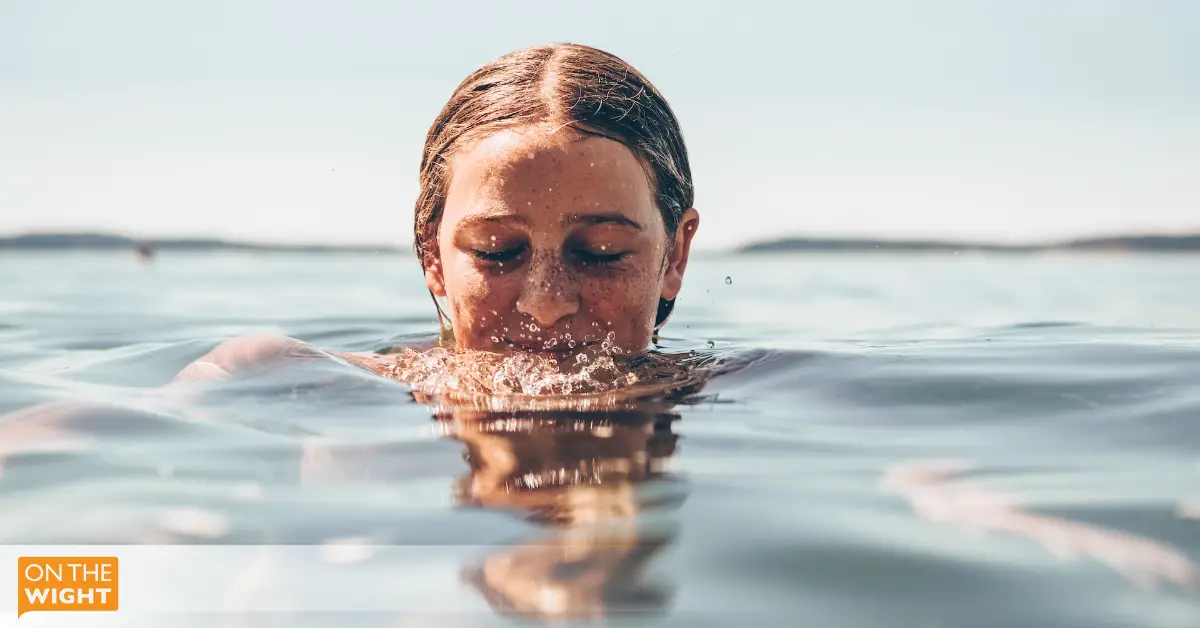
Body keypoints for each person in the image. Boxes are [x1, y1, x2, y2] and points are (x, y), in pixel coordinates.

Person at [177, 43, 701, 387]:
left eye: (599, 252)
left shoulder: (747, 392)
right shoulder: (281, 376)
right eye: (496, 251)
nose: (546, 303)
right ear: (433, 256)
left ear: (674, 256)